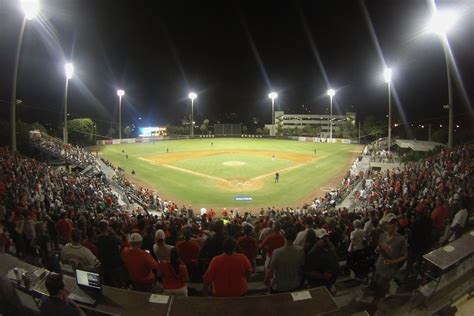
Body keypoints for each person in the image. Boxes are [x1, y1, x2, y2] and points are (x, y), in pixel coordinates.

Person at [372, 213, 407, 301]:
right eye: (387, 223)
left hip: (388, 269)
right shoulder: (383, 236)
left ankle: (380, 301)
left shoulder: (400, 240)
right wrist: (377, 249)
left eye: (391, 223)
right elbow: (380, 248)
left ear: (395, 224)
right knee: (376, 285)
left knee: (381, 288)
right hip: (379, 265)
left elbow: (404, 256)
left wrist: (393, 262)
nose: (388, 225)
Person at [264, 227, 305, 293]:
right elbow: (301, 267)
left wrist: (266, 281)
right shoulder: (301, 250)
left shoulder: (277, 252)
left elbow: (270, 271)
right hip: (294, 285)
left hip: (279, 286)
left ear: (284, 237)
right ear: (295, 238)